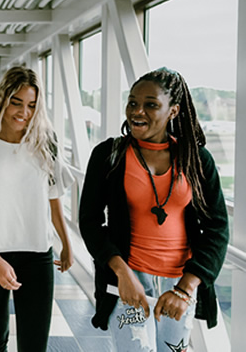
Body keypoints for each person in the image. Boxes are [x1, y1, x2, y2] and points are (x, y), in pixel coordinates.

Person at [79, 67, 229, 351]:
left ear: (173, 111)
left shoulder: (196, 160)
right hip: (129, 281)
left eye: (151, 105)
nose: (138, 111)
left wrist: (185, 289)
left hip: (179, 286)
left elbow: (217, 229)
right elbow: (89, 222)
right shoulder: (108, 156)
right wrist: (123, 274)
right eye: (133, 103)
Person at [0, 66, 74, 352]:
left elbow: (53, 197)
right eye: (16, 102)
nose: (23, 112)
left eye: (31, 105)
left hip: (38, 256)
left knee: (34, 344)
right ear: (2, 99)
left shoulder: (45, 144)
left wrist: (66, 243)